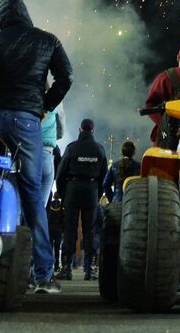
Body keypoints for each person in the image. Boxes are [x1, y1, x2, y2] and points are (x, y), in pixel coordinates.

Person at [0, 0, 73, 294]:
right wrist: (43, 106)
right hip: (27, 119)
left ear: (0, 17)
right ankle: (42, 274)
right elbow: (65, 77)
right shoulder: (48, 40)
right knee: (31, 194)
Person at [55, 117, 107, 282]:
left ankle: (66, 269)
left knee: (69, 230)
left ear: (79, 130)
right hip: (91, 191)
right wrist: (97, 194)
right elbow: (104, 176)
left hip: (73, 189)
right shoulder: (99, 149)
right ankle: (90, 270)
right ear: (93, 130)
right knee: (90, 231)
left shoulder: (71, 148)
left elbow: (60, 173)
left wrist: (63, 194)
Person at [41, 101, 66, 188]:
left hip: (26, 147)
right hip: (46, 150)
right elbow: (61, 126)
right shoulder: (55, 98)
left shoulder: (29, 91)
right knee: (46, 183)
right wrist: (54, 138)